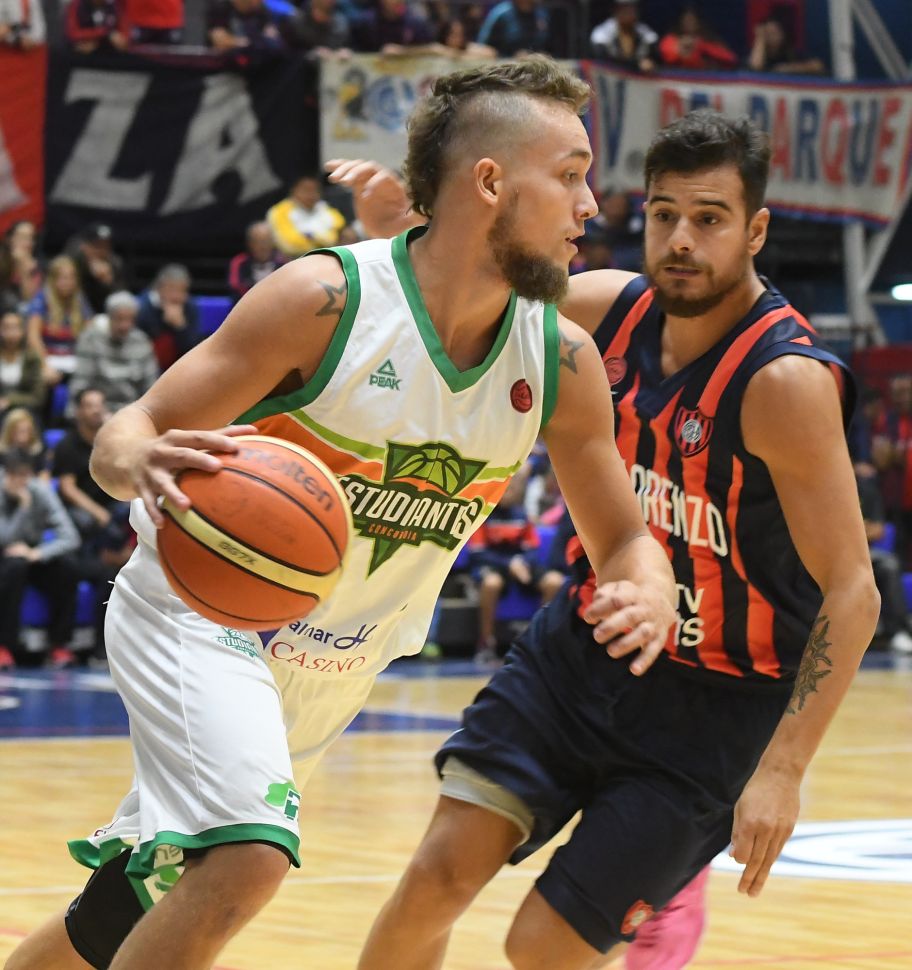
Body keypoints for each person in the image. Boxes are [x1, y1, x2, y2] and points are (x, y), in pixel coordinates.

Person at [5, 57, 676, 970]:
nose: (591, 204)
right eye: (570, 174)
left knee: (134, 900)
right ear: (489, 182)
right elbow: (130, 430)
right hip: (201, 614)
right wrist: (138, 461)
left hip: (334, 667)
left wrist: (648, 587)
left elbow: (625, 537)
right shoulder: (325, 302)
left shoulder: (559, 361)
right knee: (244, 861)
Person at [329, 109, 879, 970]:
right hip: (582, 654)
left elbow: (853, 589)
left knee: (543, 948)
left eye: (709, 218)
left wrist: (782, 770)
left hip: (716, 709)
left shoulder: (783, 382)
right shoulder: (604, 311)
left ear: (756, 231)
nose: (681, 239)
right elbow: (472, 290)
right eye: (664, 214)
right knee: (435, 880)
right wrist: (408, 230)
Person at [0, 449, 81, 671]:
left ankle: (59, 645)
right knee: (14, 567)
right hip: (4, 556)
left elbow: (71, 537)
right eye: (15, 475)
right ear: (6, 474)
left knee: (68, 568)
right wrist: (23, 508)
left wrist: (38, 554)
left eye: (25, 475)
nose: (21, 482)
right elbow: (5, 538)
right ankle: (4, 646)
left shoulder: (40, 491)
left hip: (30, 554)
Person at [70, 291, 159, 412]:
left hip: (131, 409)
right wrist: (88, 400)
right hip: (98, 408)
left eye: (129, 319)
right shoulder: (91, 339)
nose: (124, 325)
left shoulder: (142, 342)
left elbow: (151, 387)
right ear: (109, 317)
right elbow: (80, 383)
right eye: (119, 319)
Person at [25, 255, 91, 386]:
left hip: (73, 359)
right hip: (49, 358)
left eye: (72, 278)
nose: (68, 282)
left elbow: (90, 332)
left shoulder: (79, 300)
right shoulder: (42, 299)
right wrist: (45, 365)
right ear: (53, 279)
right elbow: (33, 337)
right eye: (63, 278)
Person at [135, 263, 202, 372]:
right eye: (172, 290)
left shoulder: (190, 307)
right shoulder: (141, 307)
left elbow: (193, 351)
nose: (178, 296)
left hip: (180, 370)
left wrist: (180, 327)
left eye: (183, 291)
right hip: (146, 369)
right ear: (159, 288)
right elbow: (137, 348)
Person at [266, 175, 348, 257]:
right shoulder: (280, 211)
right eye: (306, 190)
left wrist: (313, 238)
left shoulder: (322, 206)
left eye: (315, 190)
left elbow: (339, 225)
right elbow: (290, 244)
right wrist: (320, 241)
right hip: (296, 258)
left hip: (329, 253)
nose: (311, 194)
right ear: (294, 190)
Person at [658, 4, 737, 71]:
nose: (689, 23)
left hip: (705, 79)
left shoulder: (708, 38)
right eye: (686, 20)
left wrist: (701, 45)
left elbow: (730, 58)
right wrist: (680, 50)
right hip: (676, 79)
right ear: (680, 21)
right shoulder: (671, 39)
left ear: (699, 21)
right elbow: (666, 57)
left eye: (692, 20)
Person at [0, 307, 45, 423]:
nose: (11, 333)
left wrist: (10, 401)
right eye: (6, 328)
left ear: (23, 331)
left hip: (25, 409)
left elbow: (37, 397)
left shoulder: (32, 358)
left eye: (15, 328)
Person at [590, 0, 658, 73]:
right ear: (615, 10)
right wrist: (637, 64)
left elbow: (655, 57)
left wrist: (650, 62)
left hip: (636, 78)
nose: (628, 11)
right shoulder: (602, 33)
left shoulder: (645, 33)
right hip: (609, 75)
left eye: (632, 8)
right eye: (624, 8)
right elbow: (603, 60)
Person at [227, 221, 285, 302]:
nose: (263, 246)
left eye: (266, 241)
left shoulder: (284, 263)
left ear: (273, 243)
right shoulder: (239, 263)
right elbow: (236, 287)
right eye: (258, 241)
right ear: (249, 243)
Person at [748, 16, 825, 75]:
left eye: (774, 32)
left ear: (783, 34)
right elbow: (755, 67)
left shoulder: (791, 52)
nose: (771, 36)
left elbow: (818, 65)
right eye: (767, 33)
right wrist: (760, 37)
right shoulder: (757, 53)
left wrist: (790, 68)